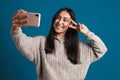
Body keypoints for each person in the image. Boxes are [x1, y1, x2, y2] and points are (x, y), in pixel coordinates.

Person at [11, 7, 107, 80]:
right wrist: (16, 27)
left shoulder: (81, 47)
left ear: (71, 24)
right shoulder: (41, 42)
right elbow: (21, 41)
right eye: (58, 18)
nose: (60, 22)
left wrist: (87, 33)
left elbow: (102, 49)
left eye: (65, 20)